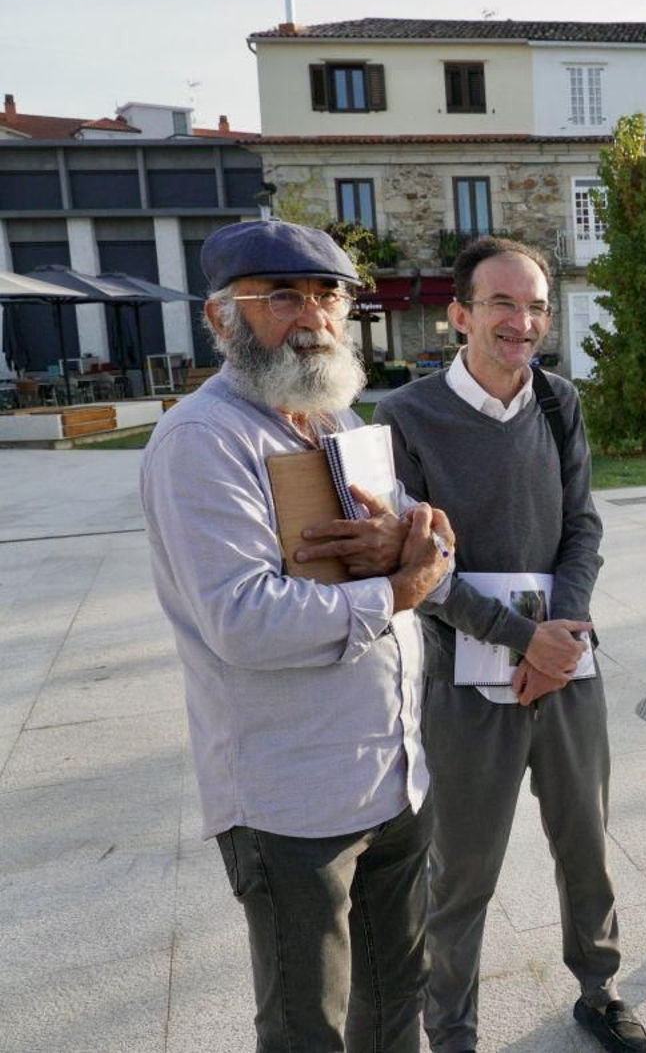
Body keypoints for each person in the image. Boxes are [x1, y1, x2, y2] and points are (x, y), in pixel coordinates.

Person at [141, 219, 453, 1052]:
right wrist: (396, 588)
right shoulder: (203, 441)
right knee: (305, 1025)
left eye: (329, 295)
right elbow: (244, 620)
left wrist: (421, 557)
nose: (313, 316)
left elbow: (423, 565)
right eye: (282, 296)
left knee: (396, 1003)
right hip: (294, 801)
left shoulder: (342, 423)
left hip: (394, 775)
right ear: (222, 320)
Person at [374, 236, 646, 1053]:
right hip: (463, 682)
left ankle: (598, 988)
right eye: (502, 304)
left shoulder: (559, 403)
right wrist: (527, 640)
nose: (522, 322)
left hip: (566, 666)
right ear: (459, 315)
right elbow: (421, 572)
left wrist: (559, 637)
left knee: (586, 844)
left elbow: (583, 527)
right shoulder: (406, 418)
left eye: (534, 306)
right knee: (461, 872)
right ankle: (451, 1029)